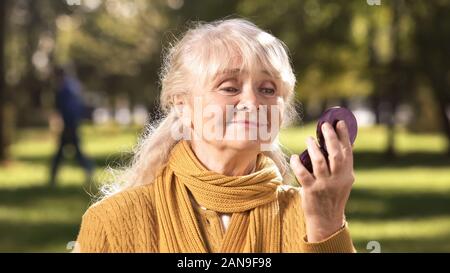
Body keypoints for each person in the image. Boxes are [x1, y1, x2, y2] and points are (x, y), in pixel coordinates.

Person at [73, 18, 356, 253]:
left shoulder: (310, 215)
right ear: (182, 105)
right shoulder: (113, 221)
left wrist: (326, 225)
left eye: (268, 89)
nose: (253, 102)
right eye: (230, 87)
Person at [49, 66, 93, 187]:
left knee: (66, 152)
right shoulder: (73, 86)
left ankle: (53, 176)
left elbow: (66, 109)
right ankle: (88, 171)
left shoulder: (64, 89)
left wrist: (67, 125)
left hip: (70, 124)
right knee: (74, 151)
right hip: (73, 123)